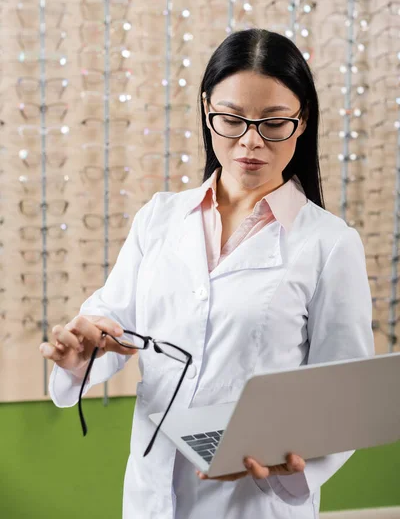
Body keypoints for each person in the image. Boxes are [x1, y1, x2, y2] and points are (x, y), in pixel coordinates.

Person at [39, 28, 374, 519]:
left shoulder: (329, 244)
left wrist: (295, 467)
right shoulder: (159, 217)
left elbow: (344, 395)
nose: (251, 142)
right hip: (152, 495)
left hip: (252, 501)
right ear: (206, 109)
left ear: (302, 122)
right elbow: (112, 324)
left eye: (273, 122)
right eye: (232, 120)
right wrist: (80, 352)